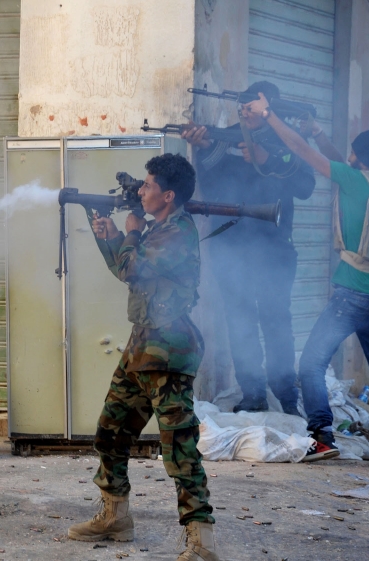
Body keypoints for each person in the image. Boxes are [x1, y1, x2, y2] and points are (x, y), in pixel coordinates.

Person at [244, 93, 369, 466]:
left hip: (350, 295)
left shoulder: (353, 180)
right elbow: (336, 158)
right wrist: (319, 131)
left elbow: (301, 150)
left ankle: (321, 436)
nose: (346, 158)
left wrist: (269, 115)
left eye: (351, 154)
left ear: (359, 157)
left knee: (311, 365)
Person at [68, 154, 221, 561]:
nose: (141, 190)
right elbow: (125, 269)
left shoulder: (177, 234)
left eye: (149, 186)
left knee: (178, 446)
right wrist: (109, 236)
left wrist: (129, 232)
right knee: (110, 434)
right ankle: (115, 516)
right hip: (142, 346)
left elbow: (133, 266)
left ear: (168, 195)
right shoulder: (160, 229)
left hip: (168, 350)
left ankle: (201, 541)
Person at [181, 81, 315, 414]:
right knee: (240, 323)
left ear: (270, 108)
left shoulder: (287, 142)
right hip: (232, 247)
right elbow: (212, 189)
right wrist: (204, 148)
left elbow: (306, 187)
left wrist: (266, 158)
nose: (244, 113)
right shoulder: (227, 137)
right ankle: (253, 394)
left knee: (277, 324)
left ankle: (287, 396)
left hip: (275, 250)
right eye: (242, 107)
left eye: (251, 107)